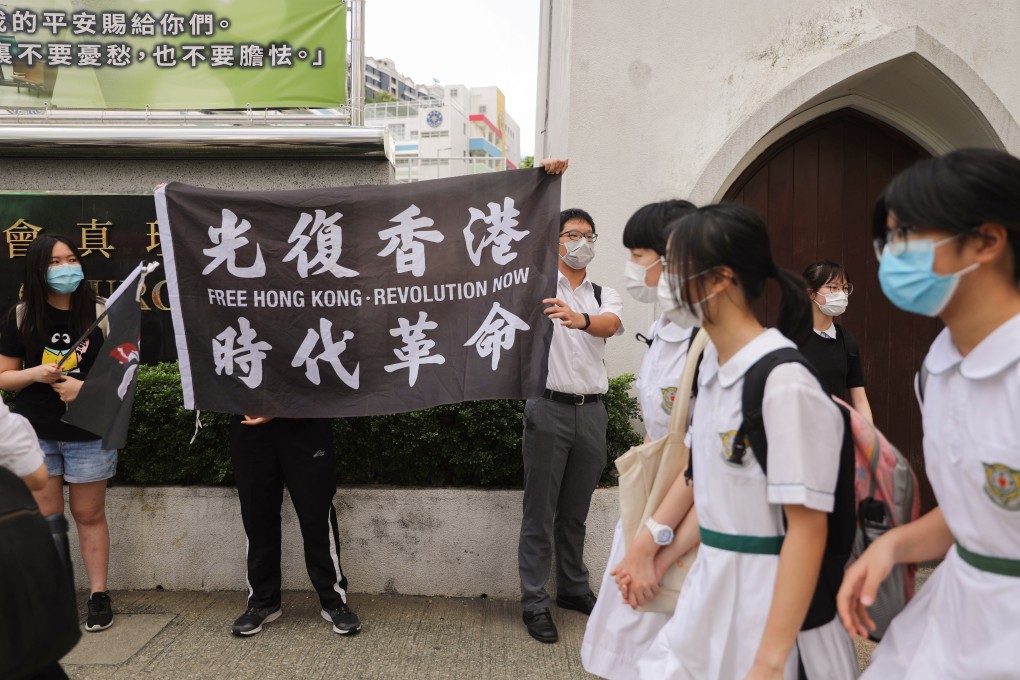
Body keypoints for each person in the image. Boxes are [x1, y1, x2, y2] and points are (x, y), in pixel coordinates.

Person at [632, 204, 857, 679]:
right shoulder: (714, 367)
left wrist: (771, 661)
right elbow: (714, 494)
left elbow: (808, 529)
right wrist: (656, 551)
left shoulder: (785, 382)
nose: (661, 278)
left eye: (673, 265)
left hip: (770, 611)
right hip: (711, 595)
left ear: (719, 279)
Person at [837, 149, 1020, 679]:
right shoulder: (938, 368)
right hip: (954, 613)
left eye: (907, 235)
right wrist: (893, 545)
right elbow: (980, 513)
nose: (892, 255)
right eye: (887, 239)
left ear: (986, 240)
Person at [581, 199, 697, 678]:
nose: (633, 266)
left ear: (676, 257)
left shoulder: (708, 341)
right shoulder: (663, 328)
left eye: (640, 252)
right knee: (626, 641)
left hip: (684, 520)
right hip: (649, 502)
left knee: (665, 648)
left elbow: (705, 462)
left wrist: (654, 544)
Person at [0, 233, 116, 632]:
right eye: (55, 262)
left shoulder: (101, 312)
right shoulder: (21, 316)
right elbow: (4, 377)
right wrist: (35, 374)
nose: (66, 268)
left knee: (88, 513)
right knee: (47, 517)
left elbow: (124, 378)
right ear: (37, 270)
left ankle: (98, 594)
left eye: (71, 259)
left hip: (88, 432)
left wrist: (85, 389)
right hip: (36, 434)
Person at [519, 206, 624, 644]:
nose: (580, 242)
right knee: (540, 512)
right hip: (548, 409)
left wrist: (579, 318)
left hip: (592, 412)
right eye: (570, 234)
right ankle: (534, 602)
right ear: (555, 240)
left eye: (588, 235)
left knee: (575, 513)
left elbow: (612, 324)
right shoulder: (536, 289)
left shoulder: (604, 293)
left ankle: (574, 590)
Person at [228, 416, 361, 637]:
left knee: (316, 514)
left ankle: (334, 601)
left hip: (305, 423)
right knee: (257, 516)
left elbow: (325, 382)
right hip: (250, 425)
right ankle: (262, 602)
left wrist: (284, 406)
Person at [800, 261, 874, 421]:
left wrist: (871, 440)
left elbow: (860, 399)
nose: (841, 294)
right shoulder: (791, 338)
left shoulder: (846, 340)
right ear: (811, 293)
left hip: (836, 436)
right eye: (833, 287)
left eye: (845, 288)